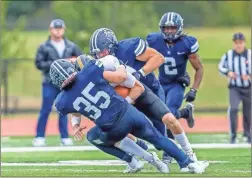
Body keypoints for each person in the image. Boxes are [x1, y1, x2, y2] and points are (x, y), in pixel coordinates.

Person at [50, 58, 209, 174]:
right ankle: (188, 163)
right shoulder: (90, 69)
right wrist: (120, 67)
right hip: (130, 113)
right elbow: (119, 77)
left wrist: (76, 126)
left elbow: (75, 105)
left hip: (112, 128)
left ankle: (132, 161)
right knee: (158, 138)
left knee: (92, 136)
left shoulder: (62, 101)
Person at [89, 28, 196, 162]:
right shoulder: (98, 65)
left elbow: (158, 58)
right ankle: (141, 148)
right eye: (96, 54)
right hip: (129, 97)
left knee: (162, 132)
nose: (100, 56)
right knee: (117, 126)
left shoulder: (129, 48)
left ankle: (184, 152)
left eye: (102, 52)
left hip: (149, 91)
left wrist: (140, 73)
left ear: (112, 47)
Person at [75, 54, 198, 166]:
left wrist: (124, 103)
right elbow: (74, 104)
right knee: (112, 128)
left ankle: (188, 155)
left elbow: (138, 88)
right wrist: (75, 125)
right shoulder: (84, 84)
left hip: (141, 95)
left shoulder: (110, 66)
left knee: (167, 121)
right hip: (124, 106)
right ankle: (138, 151)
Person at [146, 12, 204, 162]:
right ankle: (185, 112)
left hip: (177, 84)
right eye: (167, 28)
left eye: (173, 28)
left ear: (179, 28)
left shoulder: (187, 43)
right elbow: (143, 59)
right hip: (160, 83)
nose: (169, 31)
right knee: (157, 116)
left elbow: (199, 68)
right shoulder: (154, 40)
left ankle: (169, 152)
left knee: (169, 114)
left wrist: (193, 89)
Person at [33, 19, 83, 146]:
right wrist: (58, 64)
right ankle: (39, 136)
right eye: (56, 28)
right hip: (49, 82)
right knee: (45, 109)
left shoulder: (71, 46)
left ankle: (64, 137)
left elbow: (81, 60)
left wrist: (73, 61)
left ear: (64, 29)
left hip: (65, 84)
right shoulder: (44, 47)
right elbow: (39, 63)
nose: (58, 30)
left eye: (60, 28)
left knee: (63, 109)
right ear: (50, 30)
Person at [218, 32, 251, 144]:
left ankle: (248, 134)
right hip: (234, 88)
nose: (238, 45)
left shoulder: (250, 54)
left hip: (248, 88)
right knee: (234, 108)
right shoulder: (228, 55)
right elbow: (221, 67)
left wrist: (249, 76)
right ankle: (233, 135)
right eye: (236, 43)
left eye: (240, 43)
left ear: (244, 43)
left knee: (248, 111)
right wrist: (228, 73)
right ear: (233, 43)